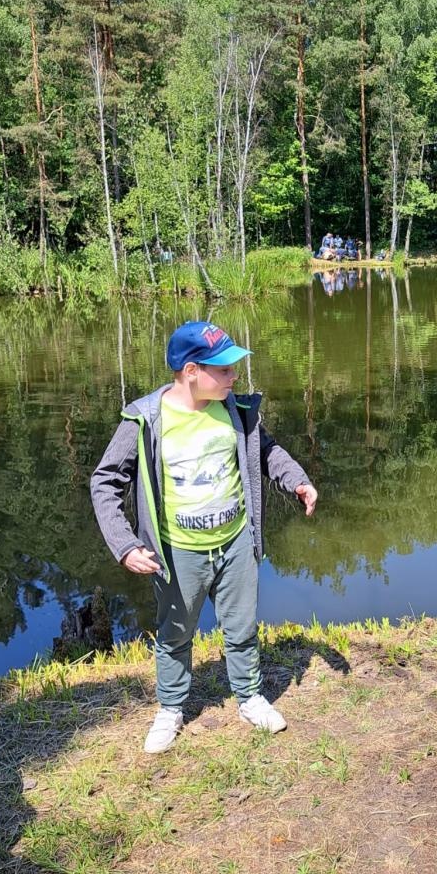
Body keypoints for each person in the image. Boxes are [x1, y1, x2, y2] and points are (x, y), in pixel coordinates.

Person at [91, 321, 318, 754]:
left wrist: (297, 481)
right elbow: (105, 483)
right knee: (175, 633)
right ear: (192, 371)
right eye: (225, 369)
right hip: (178, 553)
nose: (235, 376)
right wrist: (125, 544)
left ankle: (249, 697)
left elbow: (266, 452)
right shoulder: (146, 420)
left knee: (242, 628)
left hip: (235, 543)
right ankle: (171, 708)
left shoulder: (234, 409)